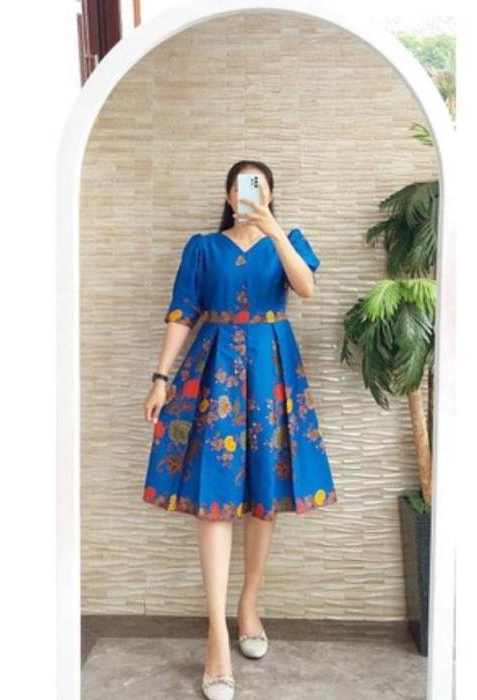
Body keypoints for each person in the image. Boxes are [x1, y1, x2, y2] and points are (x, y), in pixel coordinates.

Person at [142, 160, 338, 700]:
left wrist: (272, 228)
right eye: (241, 187)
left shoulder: (288, 240)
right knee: (215, 496)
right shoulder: (203, 248)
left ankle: (249, 603)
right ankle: (216, 636)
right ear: (229, 196)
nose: (249, 195)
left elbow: (306, 288)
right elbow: (182, 312)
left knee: (263, 493)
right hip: (215, 370)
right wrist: (160, 378)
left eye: (259, 188)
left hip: (273, 371)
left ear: (270, 195)